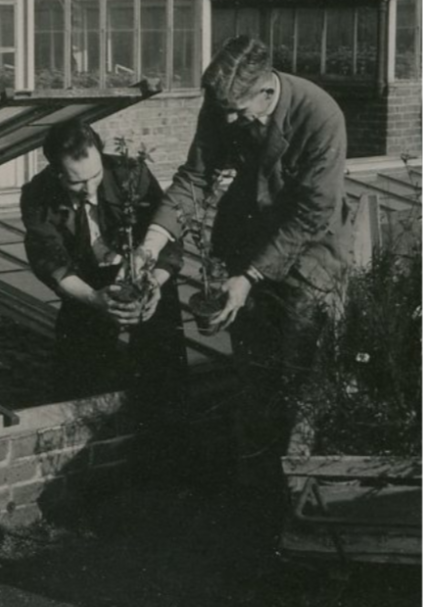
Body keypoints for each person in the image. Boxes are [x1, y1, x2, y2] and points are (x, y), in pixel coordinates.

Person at [162, 35, 354, 483]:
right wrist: (155, 238)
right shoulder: (222, 105)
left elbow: (312, 212)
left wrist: (250, 275)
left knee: (302, 369)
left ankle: (299, 484)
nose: (228, 120)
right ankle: (252, 478)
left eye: (237, 110)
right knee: (252, 367)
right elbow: (196, 175)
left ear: (267, 91)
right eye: (222, 110)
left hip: (309, 251)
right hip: (245, 241)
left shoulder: (319, 114)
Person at [19, 118, 200, 486]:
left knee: (164, 367)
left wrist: (154, 287)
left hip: (142, 277)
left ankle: (170, 463)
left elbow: (169, 245)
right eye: (75, 182)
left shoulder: (131, 174)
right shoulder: (37, 195)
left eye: (94, 177)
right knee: (79, 372)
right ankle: (85, 471)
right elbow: (51, 262)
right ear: (55, 172)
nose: (88, 190)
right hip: (86, 285)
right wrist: (94, 299)